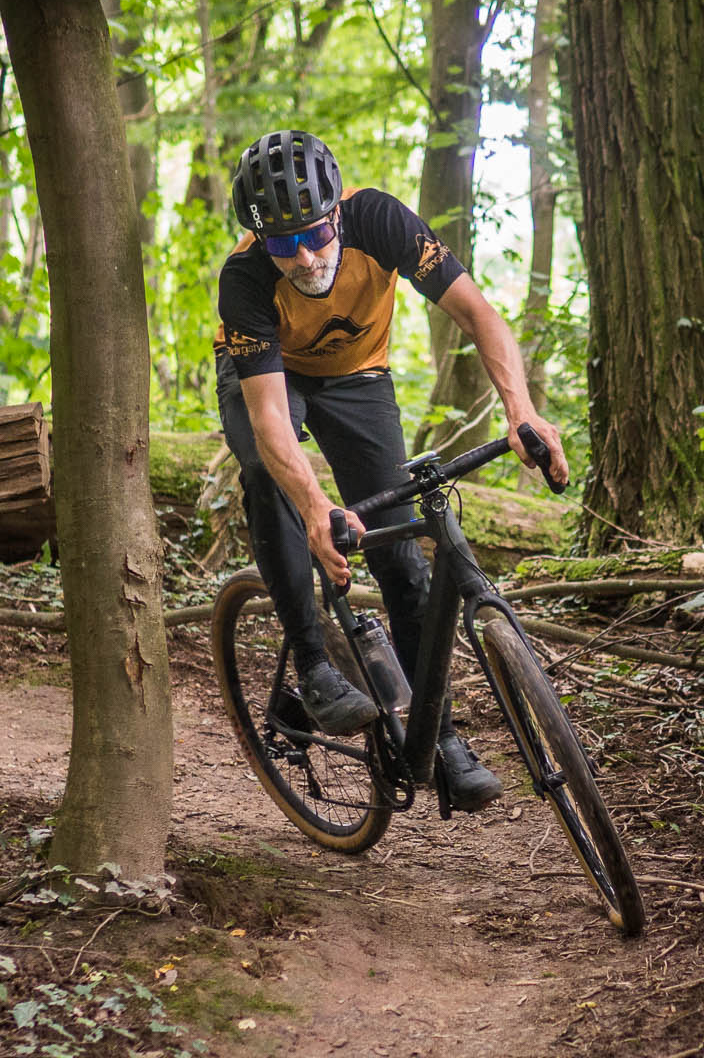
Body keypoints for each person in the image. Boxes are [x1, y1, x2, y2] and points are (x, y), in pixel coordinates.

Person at [213, 128, 569, 813]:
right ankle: (313, 665)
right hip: (269, 378)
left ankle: (440, 738)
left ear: (337, 214)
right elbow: (271, 418)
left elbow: (479, 314)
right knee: (265, 468)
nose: (304, 255)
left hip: (357, 376)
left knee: (403, 561)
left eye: (314, 234)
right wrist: (315, 506)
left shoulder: (380, 220)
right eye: (283, 244)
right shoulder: (247, 277)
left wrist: (521, 410)